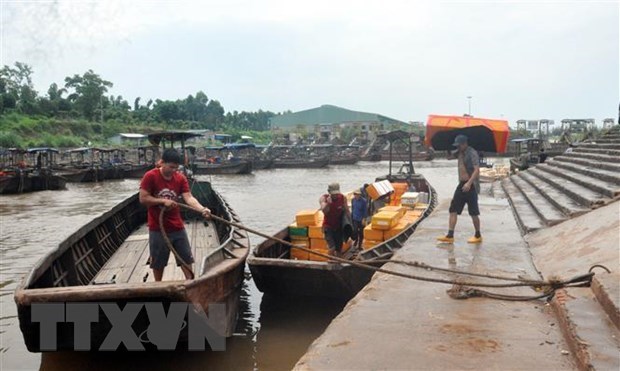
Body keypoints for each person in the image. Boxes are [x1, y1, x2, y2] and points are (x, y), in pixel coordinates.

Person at [139, 148, 211, 281]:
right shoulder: (150, 176)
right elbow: (143, 198)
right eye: (171, 167)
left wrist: (202, 209)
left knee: (186, 258)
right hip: (157, 228)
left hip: (177, 226)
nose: (173, 170)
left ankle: (190, 283)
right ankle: (158, 286)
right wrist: (162, 201)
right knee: (158, 262)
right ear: (162, 163)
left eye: (176, 168)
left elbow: (189, 198)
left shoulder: (180, 178)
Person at [437, 134, 482, 244]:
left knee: (473, 213)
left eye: (459, 145)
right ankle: (450, 235)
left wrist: (469, 183)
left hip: (471, 186)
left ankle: (478, 235)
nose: (458, 147)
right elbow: (448, 157)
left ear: (464, 143)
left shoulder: (472, 153)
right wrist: (447, 147)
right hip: (461, 185)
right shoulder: (459, 152)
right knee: (453, 209)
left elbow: (477, 170)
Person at [319, 182, 351, 257]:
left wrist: (350, 223)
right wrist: (328, 204)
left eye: (336, 194)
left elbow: (347, 210)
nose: (335, 196)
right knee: (332, 247)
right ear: (329, 192)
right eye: (333, 194)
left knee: (339, 248)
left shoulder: (342, 198)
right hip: (328, 226)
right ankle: (330, 263)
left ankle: (338, 263)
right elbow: (324, 211)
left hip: (338, 226)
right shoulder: (323, 198)